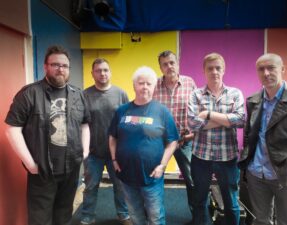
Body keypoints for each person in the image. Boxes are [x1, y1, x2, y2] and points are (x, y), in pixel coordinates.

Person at [5, 45, 90, 225]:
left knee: (64, 213)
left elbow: (84, 124)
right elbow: (12, 129)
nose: (60, 69)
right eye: (55, 65)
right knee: (40, 217)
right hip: (42, 170)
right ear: (45, 67)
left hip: (71, 168)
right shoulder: (29, 93)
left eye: (65, 66)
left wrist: (85, 151)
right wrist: (30, 163)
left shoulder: (78, 94)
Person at [109, 66, 179, 225]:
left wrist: (162, 165)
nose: (145, 87)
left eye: (149, 83)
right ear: (134, 85)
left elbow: (172, 141)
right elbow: (112, 136)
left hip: (152, 176)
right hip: (126, 175)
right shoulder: (122, 111)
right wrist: (113, 160)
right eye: (141, 83)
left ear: (154, 86)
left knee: (156, 217)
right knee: (135, 215)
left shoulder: (162, 112)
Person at [239, 53, 287, 225]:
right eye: (261, 69)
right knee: (260, 221)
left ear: (282, 69)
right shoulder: (253, 101)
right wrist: (247, 165)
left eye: (271, 68)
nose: (266, 73)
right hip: (257, 173)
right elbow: (249, 135)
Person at [188, 52, 245, 225]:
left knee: (231, 203)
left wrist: (207, 114)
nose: (214, 72)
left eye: (218, 68)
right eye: (210, 68)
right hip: (200, 157)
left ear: (224, 70)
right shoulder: (196, 95)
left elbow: (241, 120)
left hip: (227, 157)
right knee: (199, 201)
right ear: (204, 71)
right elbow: (192, 124)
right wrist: (226, 120)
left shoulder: (235, 93)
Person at [80, 58, 131, 225]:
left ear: (110, 72)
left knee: (120, 186)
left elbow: (127, 121)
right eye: (98, 70)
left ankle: (123, 214)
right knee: (90, 187)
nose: (102, 73)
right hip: (93, 152)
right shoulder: (84, 95)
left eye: (105, 70)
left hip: (116, 152)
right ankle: (87, 216)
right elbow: (81, 123)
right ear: (92, 73)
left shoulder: (121, 94)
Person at [153, 50, 197, 222]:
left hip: (184, 141)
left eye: (172, 62)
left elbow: (196, 111)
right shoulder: (154, 84)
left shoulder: (189, 83)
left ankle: (199, 217)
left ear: (177, 63)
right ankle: (155, 218)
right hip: (159, 143)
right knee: (154, 180)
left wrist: (193, 134)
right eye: (165, 64)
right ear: (160, 67)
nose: (169, 66)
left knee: (193, 181)